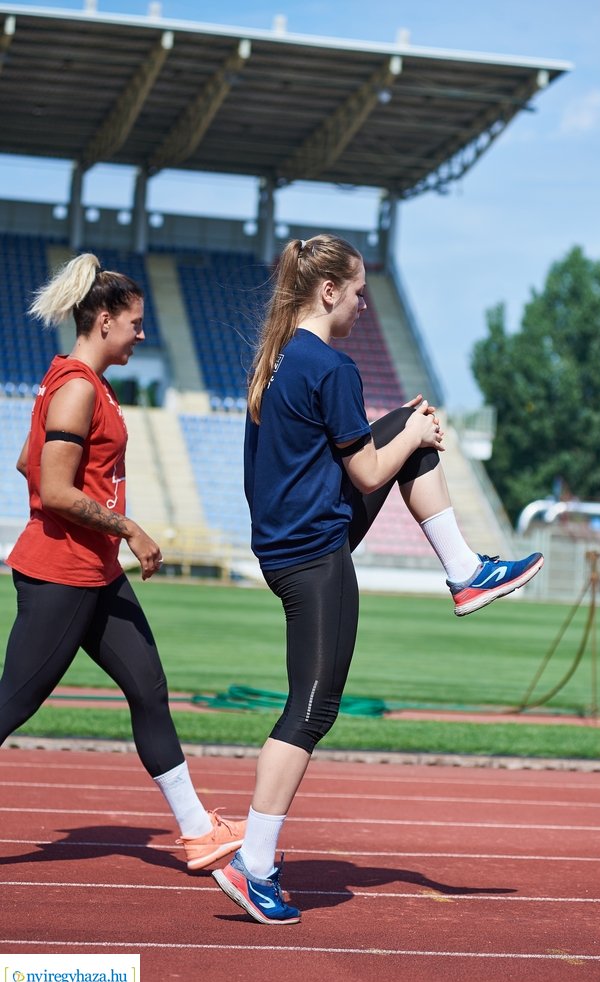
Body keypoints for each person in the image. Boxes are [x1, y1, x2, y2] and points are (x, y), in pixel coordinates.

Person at [212, 234, 543, 924]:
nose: (364, 303)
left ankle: (465, 572)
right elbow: (366, 473)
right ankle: (255, 864)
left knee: (406, 426)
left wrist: (409, 432)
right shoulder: (330, 366)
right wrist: (417, 436)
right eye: (358, 291)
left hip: (287, 539)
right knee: (310, 710)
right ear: (328, 290)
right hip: (311, 552)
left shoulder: (277, 358)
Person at [0, 253, 244, 872]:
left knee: (148, 688)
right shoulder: (78, 387)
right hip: (61, 573)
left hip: (94, 572)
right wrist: (130, 528)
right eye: (135, 323)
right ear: (104, 320)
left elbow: (29, 465)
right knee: (12, 705)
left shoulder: (77, 380)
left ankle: (196, 830)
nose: (142, 334)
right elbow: (52, 488)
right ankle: (197, 828)